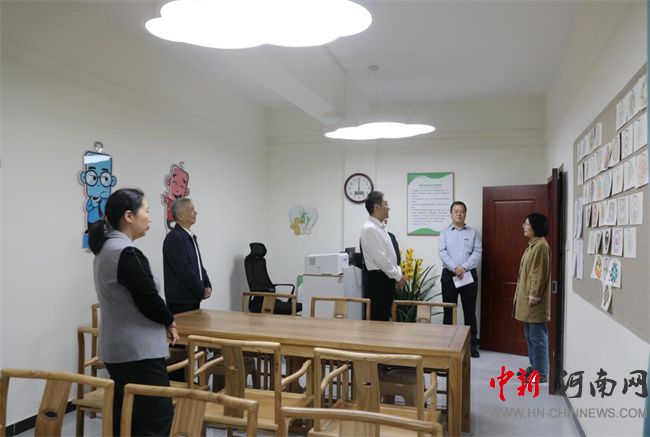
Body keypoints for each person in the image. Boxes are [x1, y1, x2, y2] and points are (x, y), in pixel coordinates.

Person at [89, 188, 177, 436]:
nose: (149, 217)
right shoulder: (125, 252)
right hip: (138, 352)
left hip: (119, 349)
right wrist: (169, 321)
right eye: (146, 211)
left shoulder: (107, 248)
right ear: (129, 216)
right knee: (155, 419)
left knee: (127, 419)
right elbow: (148, 299)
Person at [438, 201, 482, 358]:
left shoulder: (473, 233)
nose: (459, 214)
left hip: (468, 275)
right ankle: (447, 344)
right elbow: (442, 252)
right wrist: (454, 268)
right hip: (449, 275)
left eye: (462, 211)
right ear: (451, 214)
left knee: (469, 311)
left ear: (465, 214)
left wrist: (464, 267)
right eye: (456, 211)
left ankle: (472, 346)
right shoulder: (444, 233)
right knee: (449, 310)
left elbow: (477, 252)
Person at [513, 213, 551, 384]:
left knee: (538, 337)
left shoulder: (541, 246)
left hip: (534, 301)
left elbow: (538, 274)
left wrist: (534, 296)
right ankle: (534, 366)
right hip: (528, 299)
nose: (524, 226)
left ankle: (541, 372)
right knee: (530, 336)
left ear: (535, 227)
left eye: (527, 224)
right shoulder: (533, 245)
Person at [360, 191, 406, 321]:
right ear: (376, 207)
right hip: (378, 281)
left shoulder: (380, 227)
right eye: (385, 204)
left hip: (385, 279)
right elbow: (381, 259)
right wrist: (397, 276)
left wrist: (397, 273)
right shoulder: (370, 229)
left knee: (385, 318)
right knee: (378, 321)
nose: (388, 208)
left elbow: (391, 256)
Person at [163, 198, 212, 314]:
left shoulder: (189, 236)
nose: (195, 213)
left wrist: (207, 284)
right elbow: (184, 270)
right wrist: (201, 290)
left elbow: (199, 266)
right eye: (191, 210)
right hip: (180, 301)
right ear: (180, 216)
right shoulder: (174, 238)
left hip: (192, 297)